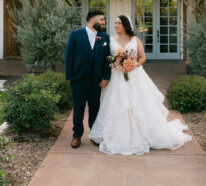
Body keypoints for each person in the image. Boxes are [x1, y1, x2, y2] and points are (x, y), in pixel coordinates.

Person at [89, 15, 192, 155]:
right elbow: (106, 59)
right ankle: (112, 134)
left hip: (134, 77)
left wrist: (133, 64)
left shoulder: (135, 40)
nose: (116, 25)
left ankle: (144, 134)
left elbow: (142, 57)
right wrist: (116, 64)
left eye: (119, 23)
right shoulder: (111, 40)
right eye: (115, 23)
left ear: (126, 25)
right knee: (115, 104)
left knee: (137, 102)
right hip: (116, 78)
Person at [65, 10, 111, 148]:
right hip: (79, 80)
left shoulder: (104, 37)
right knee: (78, 109)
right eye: (102, 20)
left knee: (95, 108)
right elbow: (69, 56)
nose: (104, 22)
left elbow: (107, 59)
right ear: (92, 20)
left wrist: (106, 77)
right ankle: (76, 135)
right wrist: (70, 77)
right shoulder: (75, 35)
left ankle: (94, 134)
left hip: (96, 81)